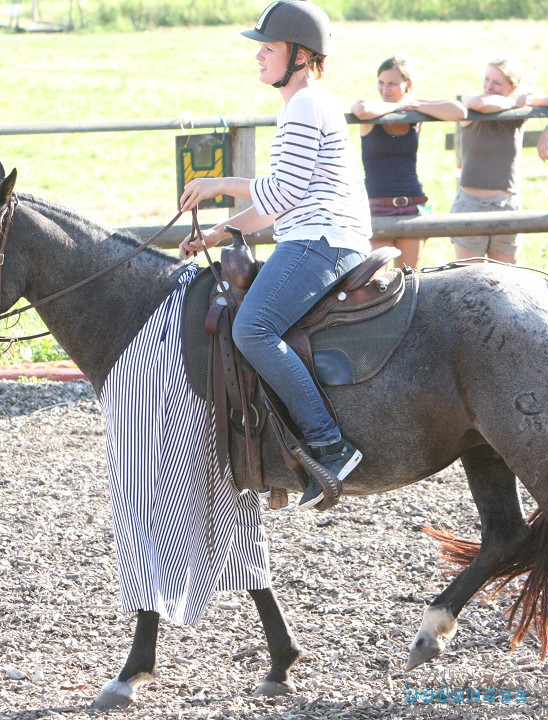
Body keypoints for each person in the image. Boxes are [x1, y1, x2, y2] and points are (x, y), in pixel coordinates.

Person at [178, 0, 371, 511]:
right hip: (313, 233)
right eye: (260, 47)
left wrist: (217, 183)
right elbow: (275, 204)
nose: (258, 56)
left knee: (252, 329)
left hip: (321, 240)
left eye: (268, 47)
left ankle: (329, 444)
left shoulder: (305, 104)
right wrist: (219, 233)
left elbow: (280, 194)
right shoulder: (302, 104)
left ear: (301, 54)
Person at [453, 57, 548, 264]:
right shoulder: (475, 106)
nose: (488, 86)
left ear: (514, 87)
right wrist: (515, 102)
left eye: (497, 83)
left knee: (505, 282)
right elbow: (479, 103)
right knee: (468, 281)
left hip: (506, 205)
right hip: (471, 204)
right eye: (487, 80)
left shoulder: (519, 111)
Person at [351, 56, 466, 269]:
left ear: (408, 85)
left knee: (410, 277)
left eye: (393, 84)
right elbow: (362, 110)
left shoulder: (414, 114)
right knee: (374, 280)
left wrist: (415, 105)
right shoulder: (373, 113)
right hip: (376, 206)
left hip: (412, 204)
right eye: (381, 83)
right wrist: (401, 104)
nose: (385, 89)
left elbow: (459, 111)